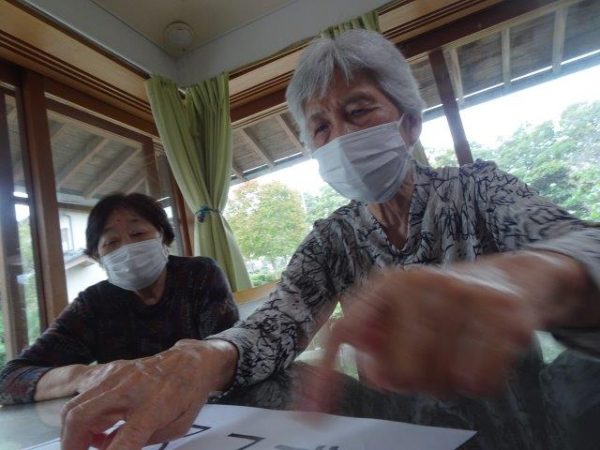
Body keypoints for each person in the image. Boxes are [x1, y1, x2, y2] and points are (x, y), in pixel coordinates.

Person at [59, 30, 600, 450]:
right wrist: (203, 356)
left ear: (409, 125)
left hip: (526, 429)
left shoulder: (477, 188)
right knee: (257, 375)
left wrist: (516, 279)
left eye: (358, 111)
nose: (339, 136)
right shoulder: (333, 239)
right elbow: (276, 323)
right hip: (395, 434)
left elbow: (582, 245)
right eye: (320, 127)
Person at [0, 193, 239, 405]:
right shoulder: (93, 304)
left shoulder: (199, 274)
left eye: (138, 233)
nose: (128, 248)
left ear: (163, 238)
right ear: (98, 258)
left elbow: (230, 356)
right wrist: (86, 376)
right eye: (111, 242)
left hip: (210, 410)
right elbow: (10, 378)